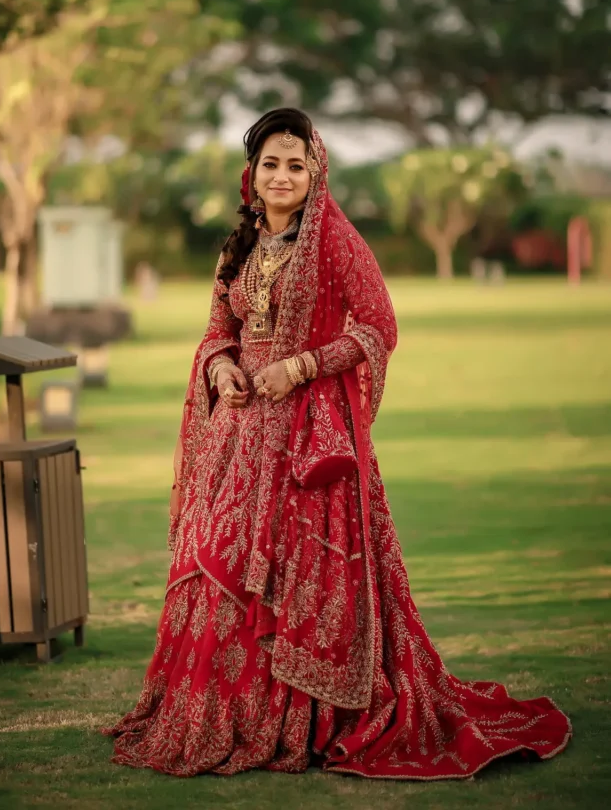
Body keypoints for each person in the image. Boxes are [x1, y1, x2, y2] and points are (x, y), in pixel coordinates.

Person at [103, 109, 572, 778]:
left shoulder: (335, 242)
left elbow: (378, 326)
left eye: (296, 164)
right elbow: (216, 329)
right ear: (251, 175)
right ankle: (217, 716)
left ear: (315, 173)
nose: (283, 175)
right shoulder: (235, 247)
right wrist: (221, 367)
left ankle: (303, 722)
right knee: (216, 561)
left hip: (305, 448)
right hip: (237, 441)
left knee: (294, 582)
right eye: (271, 163)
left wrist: (298, 367)